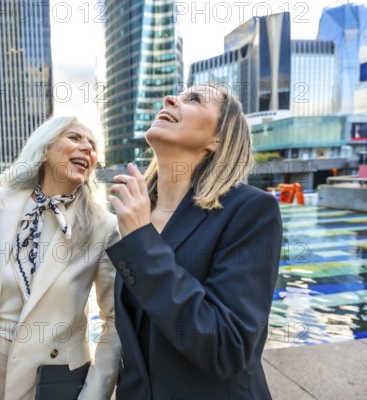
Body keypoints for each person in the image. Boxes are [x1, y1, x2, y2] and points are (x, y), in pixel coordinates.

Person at [106, 84, 283, 399]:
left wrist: (141, 243)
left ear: (218, 139)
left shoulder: (251, 209)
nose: (170, 99)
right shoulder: (137, 210)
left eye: (195, 99)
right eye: (178, 95)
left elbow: (228, 347)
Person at [0, 117, 121, 400]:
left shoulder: (103, 226)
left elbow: (114, 319)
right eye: (75, 138)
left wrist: (94, 394)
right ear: (44, 150)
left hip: (52, 379)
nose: (87, 148)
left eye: (92, 145)